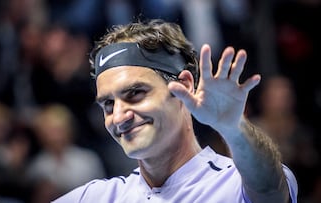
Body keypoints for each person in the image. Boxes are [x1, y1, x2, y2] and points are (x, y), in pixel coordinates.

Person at [52, 19, 298, 203]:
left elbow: (270, 189)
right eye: (108, 104)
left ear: (184, 86)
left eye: (135, 94)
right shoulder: (96, 197)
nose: (118, 117)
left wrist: (232, 129)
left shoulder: (234, 185)